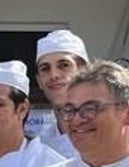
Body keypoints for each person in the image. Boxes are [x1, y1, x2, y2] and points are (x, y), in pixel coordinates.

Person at [32, 29, 89, 158]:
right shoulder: (40, 147)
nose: (54, 75)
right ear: (39, 81)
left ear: (85, 72)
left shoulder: (127, 132)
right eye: (45, 69)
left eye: (64, 65)